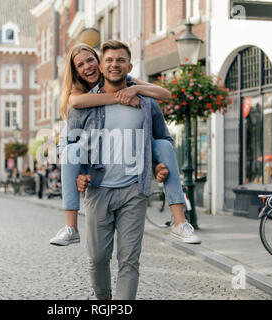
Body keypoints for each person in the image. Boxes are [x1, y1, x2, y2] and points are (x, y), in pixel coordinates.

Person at [49, 42, 200, 247]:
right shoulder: (79, 98)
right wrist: (79, 173)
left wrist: (135, 89)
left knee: (164, 146)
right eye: (80, 65)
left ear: (98, 63)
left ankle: (180, 222)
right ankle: (70, 227)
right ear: (76, 71)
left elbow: (165, 95)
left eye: (90, 60)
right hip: (97, 173)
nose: (87, 67)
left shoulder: (127, 81)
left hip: (132, 178)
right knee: (70, 151)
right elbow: (70, 126)